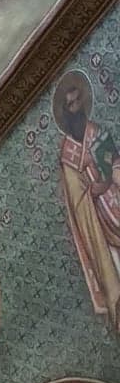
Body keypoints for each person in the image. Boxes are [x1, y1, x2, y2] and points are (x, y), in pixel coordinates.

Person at [53, 71, 120, 329]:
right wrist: (94, 190)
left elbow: (115, 161)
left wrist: (109, 179)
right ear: (66, 113)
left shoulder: (96, 131)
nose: (76, 107)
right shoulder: (67, 155)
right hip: (98, 223)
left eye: (78, 101)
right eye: (71, 104)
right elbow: (78, 202)